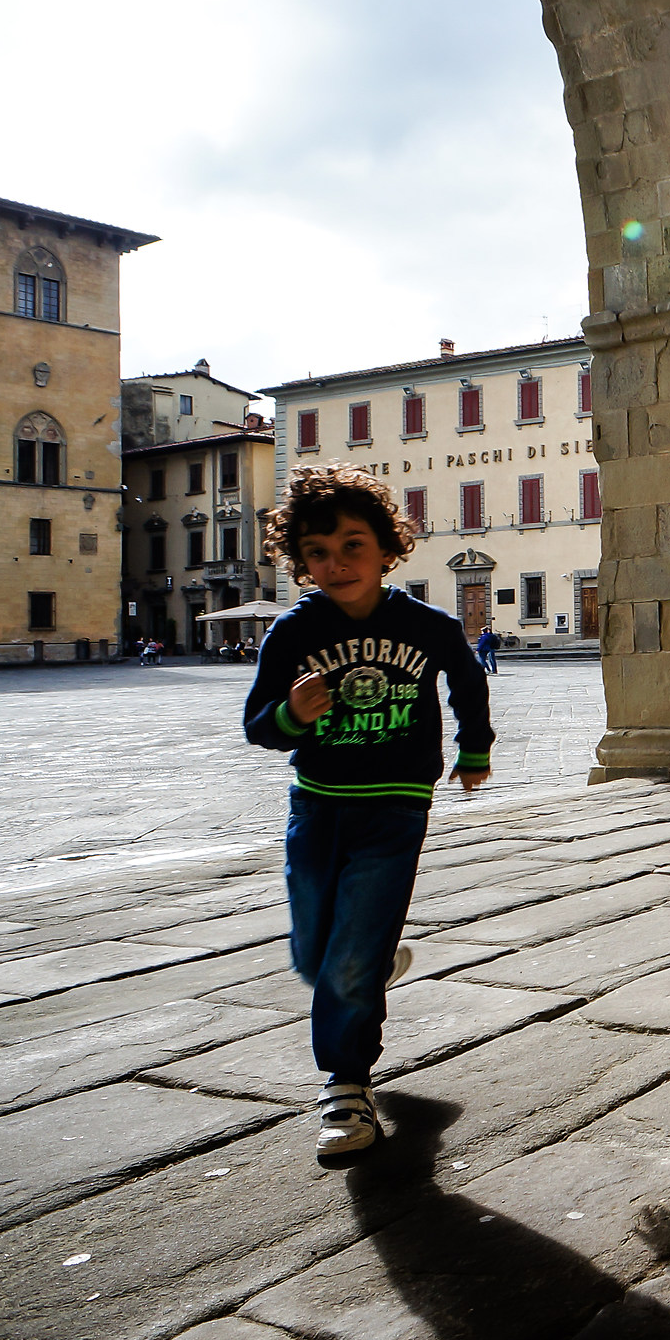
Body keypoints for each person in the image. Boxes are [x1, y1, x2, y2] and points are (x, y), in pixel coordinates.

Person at [244, 465, 493, 1159]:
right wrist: (292, 714)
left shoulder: (428, 626)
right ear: (301, 561)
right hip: (317, 807)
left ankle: (347, 1084)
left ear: (387, 547)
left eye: (353, 545)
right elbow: (258, 725)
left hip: (395, 806)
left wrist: (475, 749)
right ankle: (370, 960)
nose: (337, 563)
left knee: (347, 962)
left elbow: (468, 682)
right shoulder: (292, 633)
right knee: (314, 956)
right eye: (318, 551)